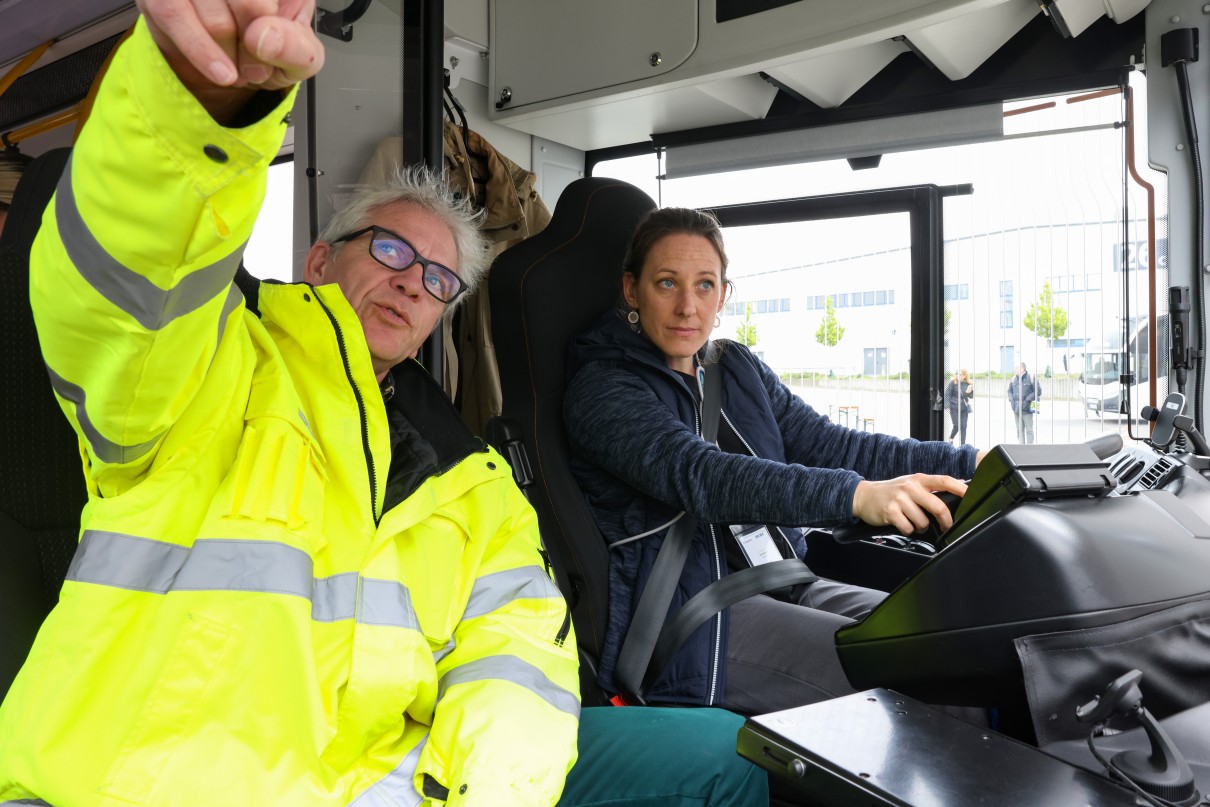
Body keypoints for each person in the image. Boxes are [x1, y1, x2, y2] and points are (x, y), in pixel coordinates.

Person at [0, 5, 768, 806]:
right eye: (393, 250)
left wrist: (485, 791)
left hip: (393, 777)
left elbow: (515, 649)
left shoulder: (476, 478)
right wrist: (195, 105)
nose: (413, 281)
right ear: (321, 258)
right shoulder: (210, 364)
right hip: (162, 779)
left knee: (728, 753)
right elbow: (130, 280)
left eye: (439, 279)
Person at [564, 207, 986, 716]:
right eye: (667, 283)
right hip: (696, 622)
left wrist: (974, 460)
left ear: (723, 295)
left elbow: (834, 446)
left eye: (704, 285)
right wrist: (857, 497)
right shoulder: (602, 389)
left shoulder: (734, 368)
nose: (687, 307)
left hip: (785, 581)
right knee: (922, 686)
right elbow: (702, 476)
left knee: (952, 650)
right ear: (632, 291)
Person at [1007, 361, 1041, 443]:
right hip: (1016, 409)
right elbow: (1009, 391)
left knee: (1029, 429)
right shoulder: (1013, 379)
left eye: (1016, 368)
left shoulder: (1031, 377)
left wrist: (1028, 399)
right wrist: (1011, 400)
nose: (1014, 370)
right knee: (1019, 429)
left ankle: (1029, 448)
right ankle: (1021, 446)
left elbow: (1038, 391)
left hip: (1027, 409)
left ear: (1022, 369)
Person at [945, 368, 974, 445]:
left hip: (964, 408)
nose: (957, 375)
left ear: (964, 376)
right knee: (957, 425)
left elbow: (971, 397)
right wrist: (947, 406)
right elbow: (947, 395)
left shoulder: (968, 384)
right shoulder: (952, 383)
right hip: (954, 407)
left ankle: (963, 445)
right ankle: (951, 438)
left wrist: (970, 392)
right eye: (956, 373)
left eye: (959, 374)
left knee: (964, 427)